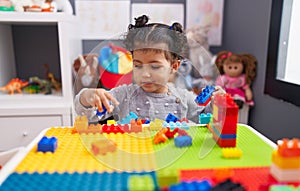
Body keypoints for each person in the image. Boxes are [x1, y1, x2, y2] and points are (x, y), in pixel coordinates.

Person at [74, 15, 225, 124]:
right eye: (138, 65)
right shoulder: (123, 96)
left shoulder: (184, 98)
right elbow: (88, 115)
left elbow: (205, 119)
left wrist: (215, 104)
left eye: (155, 66)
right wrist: (87, 97)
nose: (145, 74)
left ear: (174, 66)